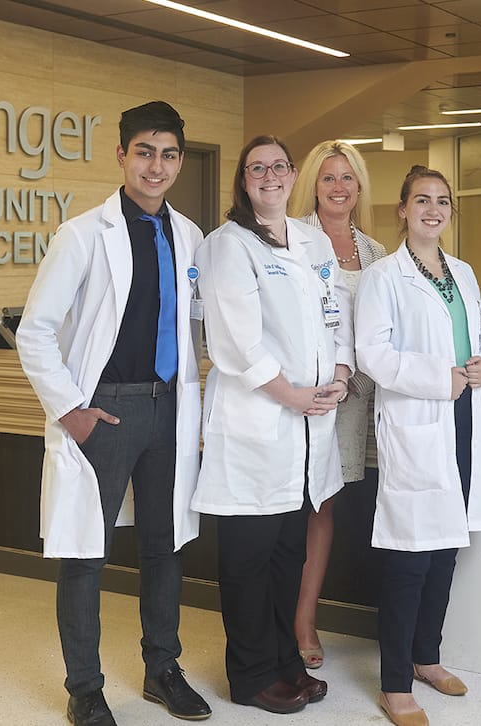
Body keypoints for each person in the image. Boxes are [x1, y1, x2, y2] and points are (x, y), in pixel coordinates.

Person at [16, 101, 212, 726]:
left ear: (180, 161)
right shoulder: (81, 234)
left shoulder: (189, 236)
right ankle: (85, 688)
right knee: (86, 551)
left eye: (169, 154)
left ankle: (162, 670)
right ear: (122, 155)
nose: (157, 166)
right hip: (107, 411)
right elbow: (35, 331)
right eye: (145, 152)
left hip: (170, 408)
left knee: (164, 547)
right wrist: (72, 409)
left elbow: (200, 325)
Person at [192, 135, 352, 713]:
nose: (270, 175)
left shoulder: (312, 241)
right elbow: (236, 340)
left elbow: (338, 316)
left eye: (279, 166)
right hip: (258, 423)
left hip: (309, 427)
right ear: (242, 179)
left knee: (289, 555)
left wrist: (340, 369)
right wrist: (293, 395)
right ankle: (251, 674)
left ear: (291, 175)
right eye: (257, 167)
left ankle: (285, 661)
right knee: (248, 561)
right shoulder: (227, 246)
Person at [355, 165, 481, 726]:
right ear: (402, 210)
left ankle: (426, 657)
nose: (432, 210)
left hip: (462, 419)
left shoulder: (462, 272)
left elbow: (477, 338)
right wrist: (443, 376)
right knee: (408, 557)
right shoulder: (384, 278)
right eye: (421, 200)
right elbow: (374, 355)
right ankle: (394, 682)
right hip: (418, 420)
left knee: (446, 546)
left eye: (442, 201)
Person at [286, 140, 387, 670]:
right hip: (297, 398)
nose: (340, 188)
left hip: (353, 402)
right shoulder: (289, 240)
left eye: (349, 179)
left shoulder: (375, 253)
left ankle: (307, 616)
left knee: (325, 507)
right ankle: (287, 620)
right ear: (313, 185)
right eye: (329, 178)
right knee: (292, 508)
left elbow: (380, 332)